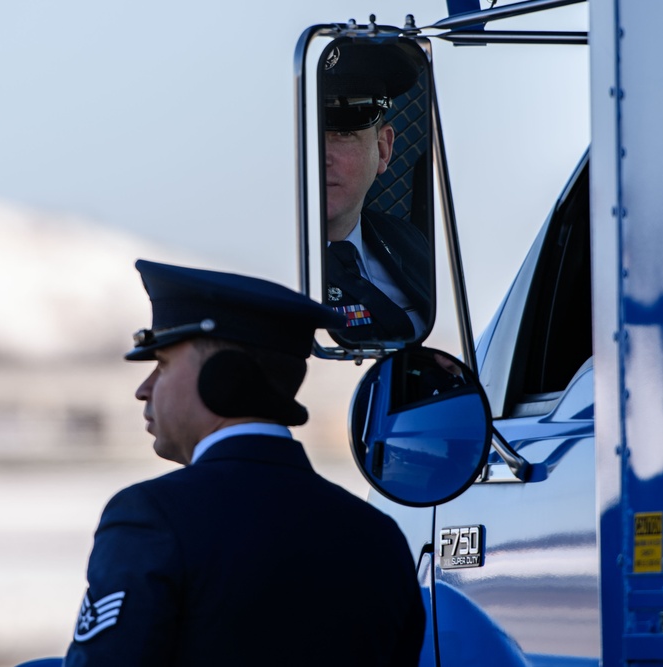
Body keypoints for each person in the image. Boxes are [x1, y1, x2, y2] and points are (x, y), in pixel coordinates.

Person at [59, 259, 425, 666]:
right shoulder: (377, 536)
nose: (143, 390)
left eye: (161, 364)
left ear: (223, 377)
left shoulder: (153, 517)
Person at [321, 39, 432, 343]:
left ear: (383, 150)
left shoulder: (410, 243)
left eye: (343, 133)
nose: (320, 155)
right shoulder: (256, 260)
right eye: (308, 133)